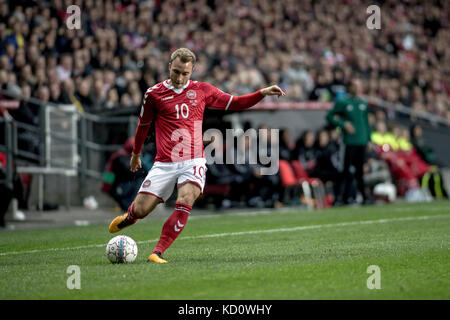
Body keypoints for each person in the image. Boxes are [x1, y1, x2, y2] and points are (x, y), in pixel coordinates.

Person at [108, 48, 285, 263]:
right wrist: (136, 154)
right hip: (164, 162)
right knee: (142, 209)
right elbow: (143, 125)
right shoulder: (153, 94)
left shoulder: (203, 90)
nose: (180, 77)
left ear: (193, 70)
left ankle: (157, 252)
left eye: (185, 73)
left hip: (194, 160)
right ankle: (132, 216)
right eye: (176, 72)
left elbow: (235, 102)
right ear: (169, 67)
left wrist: (261, 93)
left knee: (185, 200)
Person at [326, 78, 372, 205]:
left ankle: (364, 197)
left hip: (361, 141)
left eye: (359, 85)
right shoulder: (343, 102)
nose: (357, 88)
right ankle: (339, 198)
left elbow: (367, 123)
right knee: (345, 171)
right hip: (348, 142)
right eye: (354, 85)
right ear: (349, 87)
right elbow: (330, 116)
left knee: (360, 172)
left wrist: (369, 139)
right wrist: (343, 124)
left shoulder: (363, 103)